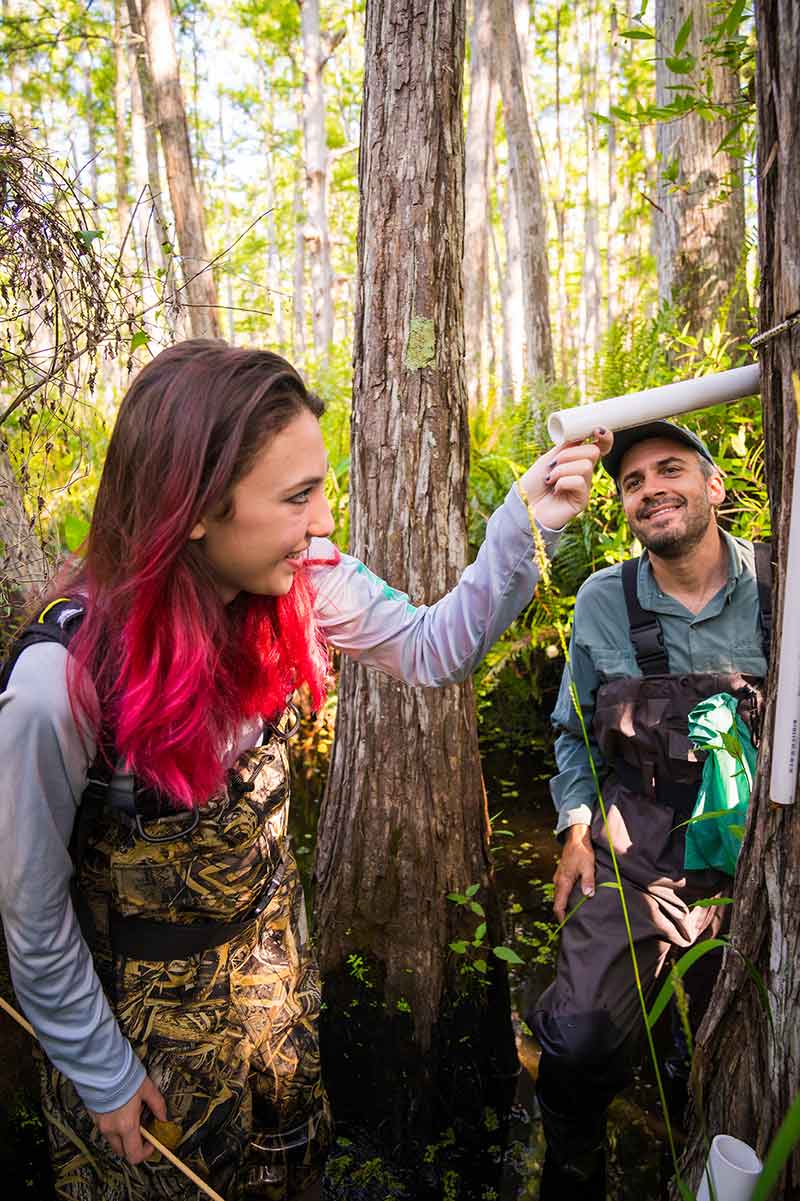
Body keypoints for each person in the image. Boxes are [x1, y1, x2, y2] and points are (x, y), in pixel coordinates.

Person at [0, 339, 610, 1201]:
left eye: (319, 487)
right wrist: (101, 1072)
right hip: (144, 1046)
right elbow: (30, 909)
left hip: (275, 997)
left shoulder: (299, 582)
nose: (324, 520)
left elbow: (435, 646)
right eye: (297, 496)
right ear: (198, 507)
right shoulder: (58, 685)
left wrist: (522, 522)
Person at [529, 421, 771, 1200]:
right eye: (633, 482)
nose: (651, 488)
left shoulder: (781, 581)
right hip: (641, 848)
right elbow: (572, 735)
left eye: (671, 469)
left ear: (714, 486)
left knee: (730, 1040)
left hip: (761, 855)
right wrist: (574, 829)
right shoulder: (602, 601)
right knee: (577, 1037)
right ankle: (573, 1164)